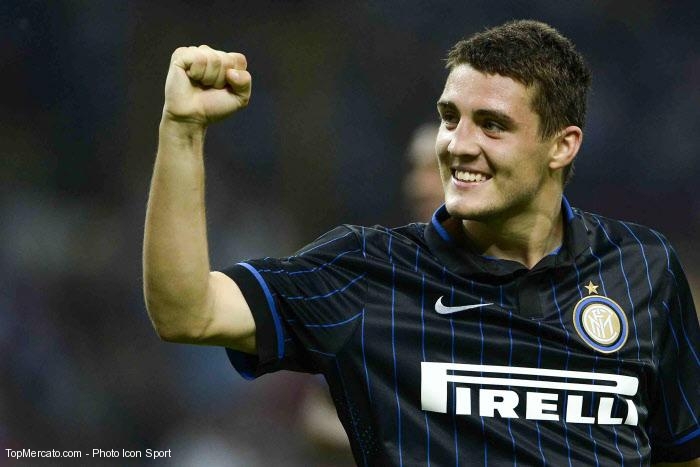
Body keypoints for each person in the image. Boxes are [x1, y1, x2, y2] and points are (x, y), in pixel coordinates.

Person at [143, 20, 700, 466]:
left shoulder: (644, 269)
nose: (458, 144)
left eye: (492, 125)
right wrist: (182, 130)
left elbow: (682, 450)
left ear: (562, 146)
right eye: (450, 118)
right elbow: (187, 312)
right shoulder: (366, 272)